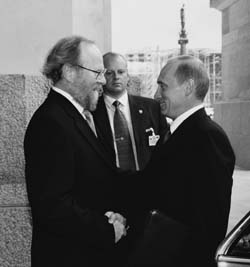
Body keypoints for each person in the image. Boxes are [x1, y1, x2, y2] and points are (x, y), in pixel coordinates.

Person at [24, 36, 128, 267]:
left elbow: (101, 178)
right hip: (69, 256)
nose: (104, 81)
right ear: (70, 72)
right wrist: (106, 229)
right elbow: (52, 205)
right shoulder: (50, 122)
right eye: (98, 72)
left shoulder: (83, 116)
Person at [129, 55, 236, 267]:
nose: (156, 94)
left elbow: (209, 222)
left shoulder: (207, 137)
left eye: (163, 86)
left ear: (188, 87)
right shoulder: (177, 132)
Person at [93, 52, 168, 172]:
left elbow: (166, 149)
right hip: (108, 185)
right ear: (101, 77)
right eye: (109, 73)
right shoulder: (91, 112)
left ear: (128, 76)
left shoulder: (152, 108)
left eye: (121, 72)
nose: (116, 77)